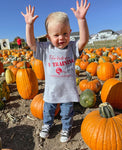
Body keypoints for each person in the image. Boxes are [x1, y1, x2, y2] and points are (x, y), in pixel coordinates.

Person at [21, 0, 90, 143]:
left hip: (67, 91)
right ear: (48, 37)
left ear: (70, 32)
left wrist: (81, 20)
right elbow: (31, 43)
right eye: (56, 35)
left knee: (67, 113)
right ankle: (47, 125)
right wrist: (29, 25)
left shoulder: (72, 48)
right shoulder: (46, 49)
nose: (61, 38)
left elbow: (83, 40)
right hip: (51, 91)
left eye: (65, 33)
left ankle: (66, 128)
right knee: (48, 111)